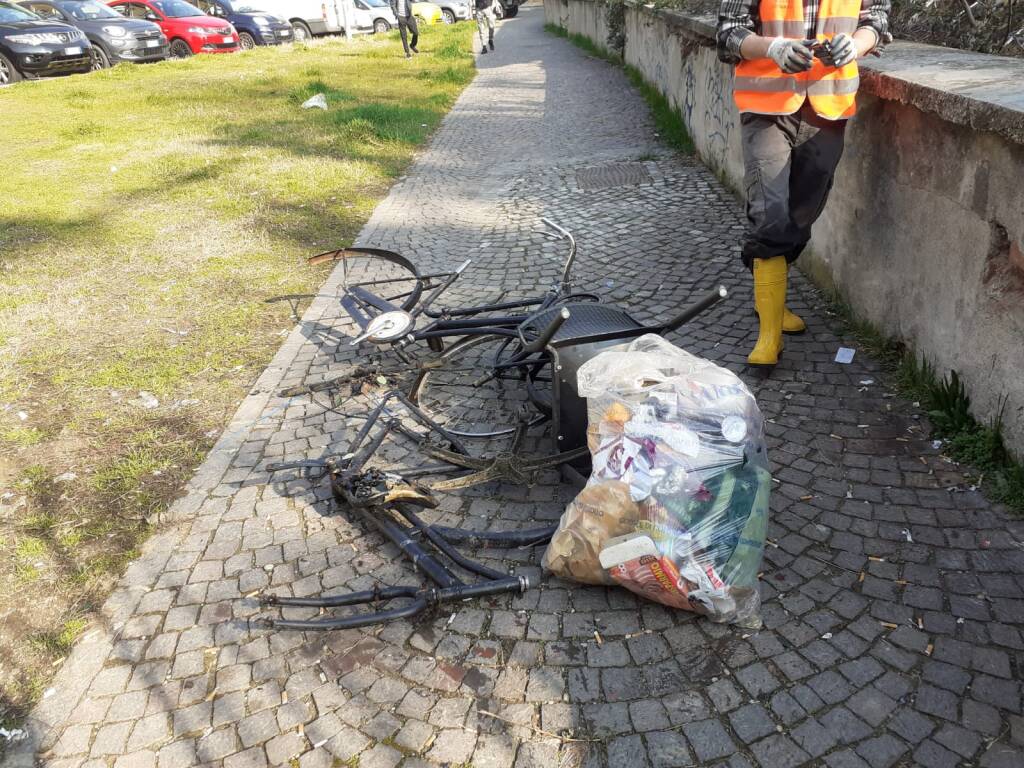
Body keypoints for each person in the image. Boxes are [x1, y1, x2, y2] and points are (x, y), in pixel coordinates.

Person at [717, 0, 890, 367]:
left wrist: (854, 45)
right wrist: (773, 48)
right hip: (766, 103)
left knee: (801, 213)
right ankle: (769, 336)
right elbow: (728, 31)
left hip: (828, 105)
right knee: (770, 211)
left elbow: (876, 21)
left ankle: (773, 304)